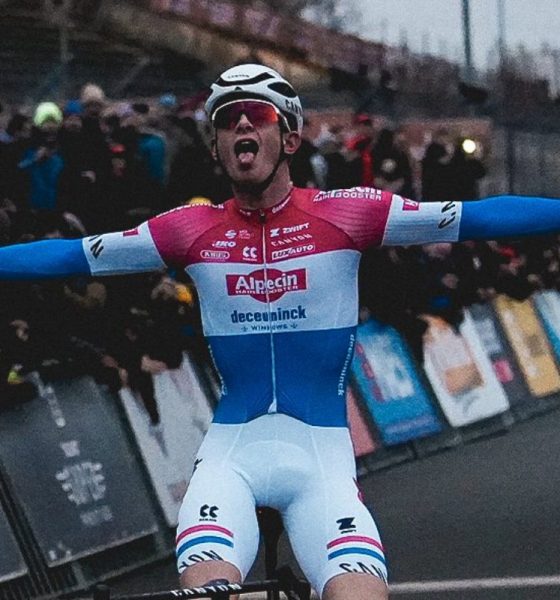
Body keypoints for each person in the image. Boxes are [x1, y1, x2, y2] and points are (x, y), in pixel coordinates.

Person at [3, 64, 560, 600]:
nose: (242, 124)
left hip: (320, 462)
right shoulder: (188, 229)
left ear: (290, 138)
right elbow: (69, 256)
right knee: (209, 591)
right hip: (230, 459)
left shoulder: (350, 213)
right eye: (227, 119)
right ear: (217, 146)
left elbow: (479, 216)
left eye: (258, 114)